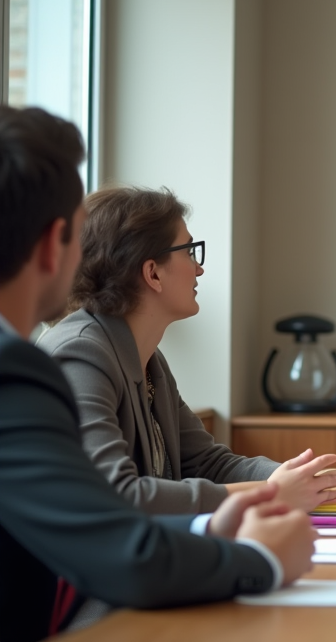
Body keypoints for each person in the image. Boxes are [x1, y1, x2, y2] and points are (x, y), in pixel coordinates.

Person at [0, 105, 316, 641]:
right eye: (76, 235)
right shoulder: (37, 365)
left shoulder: (147, 358)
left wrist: (259, 491)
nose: (199, 266)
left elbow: (197, 460)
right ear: (55, 245)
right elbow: (116, 531)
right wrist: (259, 554)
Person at [37, 186, 336, 515]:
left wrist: (294, 478)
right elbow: (116, 494)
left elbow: (206, 463)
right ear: (153, 273)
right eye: (189, 251)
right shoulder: (80, 354)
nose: (199, 269)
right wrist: (271, 493)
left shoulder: (148, 359)